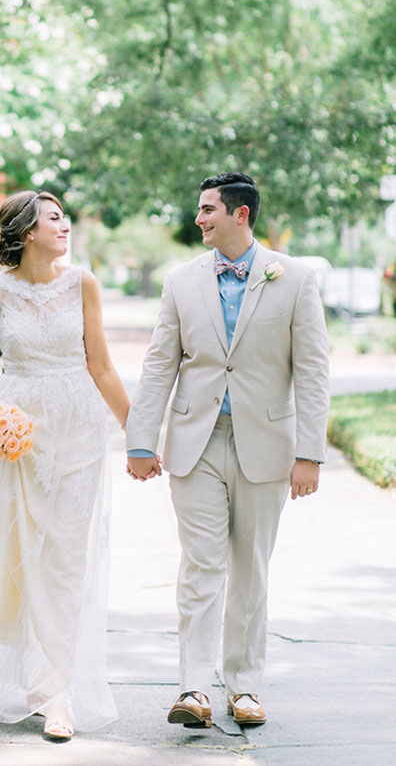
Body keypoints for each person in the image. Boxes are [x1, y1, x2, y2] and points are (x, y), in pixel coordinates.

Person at [126, 172, 329, 729]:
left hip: (268, 446)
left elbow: (312, 370)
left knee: (251, 572)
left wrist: (309, 453)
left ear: (240, 214)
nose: (199, 219)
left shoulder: (294, 278)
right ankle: (193, 688)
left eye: (208, 209)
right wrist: (141, 440)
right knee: (201, 566)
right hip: (195, 444)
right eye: (198, 209)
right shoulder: (180, 281)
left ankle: (244, 689)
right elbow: (159, 364)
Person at [0, 190, 129, 741]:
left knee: (65, 560)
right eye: (54, 219)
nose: (64, 226)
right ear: (27, 231)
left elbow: (103, 367)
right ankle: (39, 682)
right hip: (18, 437)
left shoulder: (82, 283)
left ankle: (58, 694)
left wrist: (139, 434)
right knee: (24, 557)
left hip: (79, 434)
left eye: (64, 218)